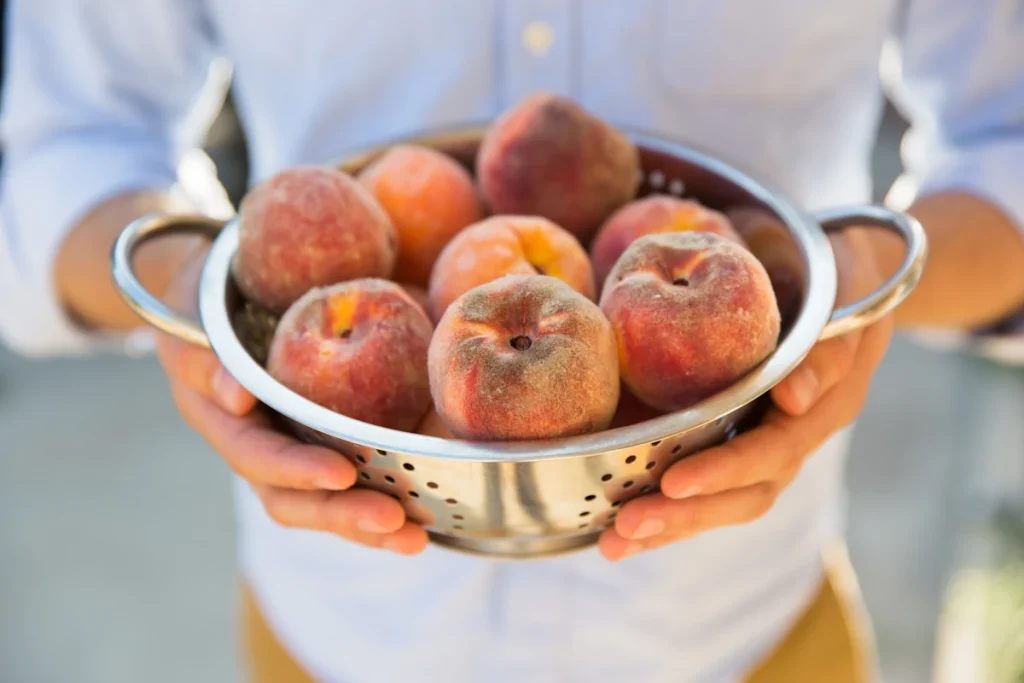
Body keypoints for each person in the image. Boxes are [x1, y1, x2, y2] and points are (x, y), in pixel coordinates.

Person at [2, 2, 1022, 681]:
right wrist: (188, 290)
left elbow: (1006, 131)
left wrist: (854, 289)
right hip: (339, 633)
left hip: (745, 630)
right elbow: (79, 130)